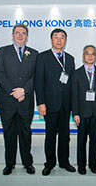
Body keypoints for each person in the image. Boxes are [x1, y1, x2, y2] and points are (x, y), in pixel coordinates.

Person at [0, 24, 38, 175]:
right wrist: (14, 92)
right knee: (9, 134)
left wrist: (24, 91)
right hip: (8, 101)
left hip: (25, 101)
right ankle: (9, 164)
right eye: (17, 33)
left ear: (27, 36)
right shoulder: (3, 51)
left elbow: (36, 76)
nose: (20, 36)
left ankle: (28, 163)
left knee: (26, 134)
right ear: (12, 35)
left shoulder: (34, 53)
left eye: (23, 33)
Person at [35, 28, 76, 176]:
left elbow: (71, 83)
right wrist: (41, 103)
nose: (59, 40)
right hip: (50, 104)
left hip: (65, 104)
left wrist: (73, 105)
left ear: (65, 40)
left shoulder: (70, 59)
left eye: (62, 37)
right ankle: (49, 163)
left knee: (65, 136)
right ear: (51, 39)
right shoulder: (42, 57)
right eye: (56, 37)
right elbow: (38, 82)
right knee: (50, 135)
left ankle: (64, 162)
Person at [72, 45, 96, 175]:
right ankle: (81, 165)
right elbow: (74, 95)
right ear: (83, 56)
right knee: (81, 140)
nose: (90, 56)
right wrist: (75, 113)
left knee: (95, 140)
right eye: (87, 53)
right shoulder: (76, 73)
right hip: (82, 113)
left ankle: (92, 164)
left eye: (93, 53)